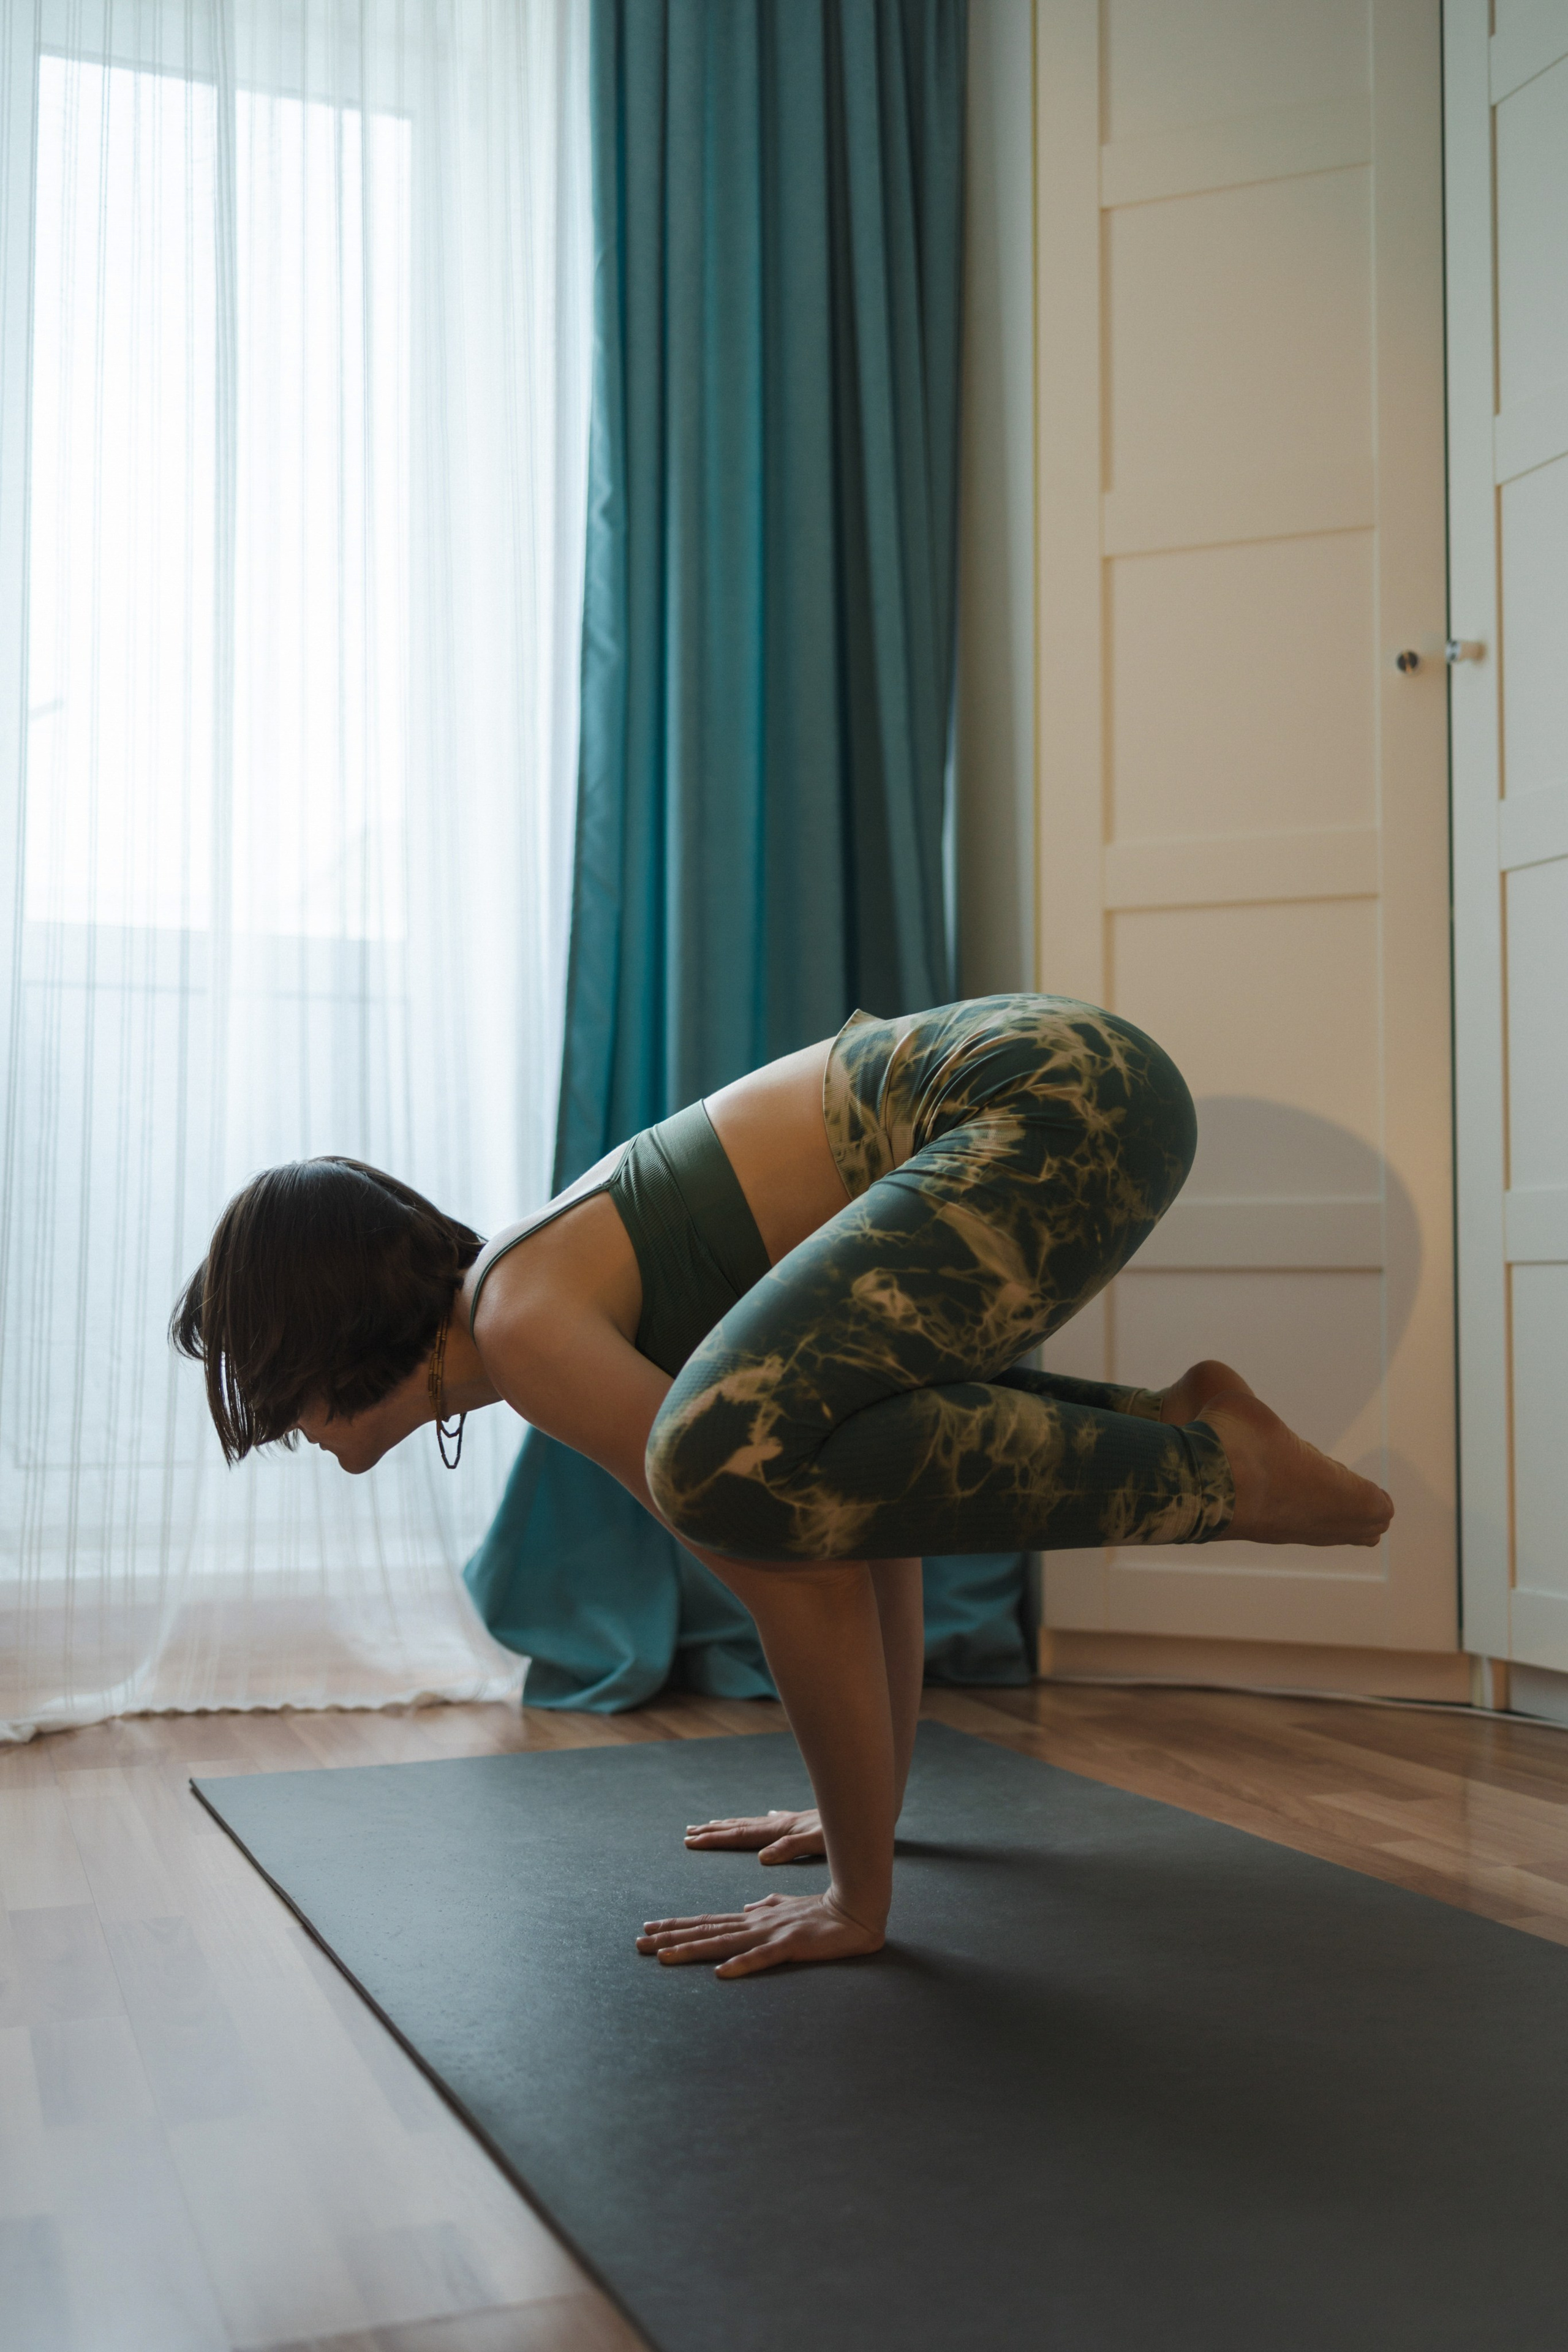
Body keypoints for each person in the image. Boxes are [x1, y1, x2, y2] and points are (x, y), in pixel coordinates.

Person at [172, 994, 1392, 1978]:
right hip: (1089, 1090)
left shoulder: (524, 1325)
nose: (283, 1429)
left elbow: (789, 1580)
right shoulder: (535, 1300)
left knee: (722, 1483)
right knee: (782, 1475)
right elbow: (852, 1531)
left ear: (323, 1342)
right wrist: (862, 1814)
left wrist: (855, 1899)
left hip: (1047, 1104)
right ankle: (1193, 1442)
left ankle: (1216, 1470)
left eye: (271, 1390)